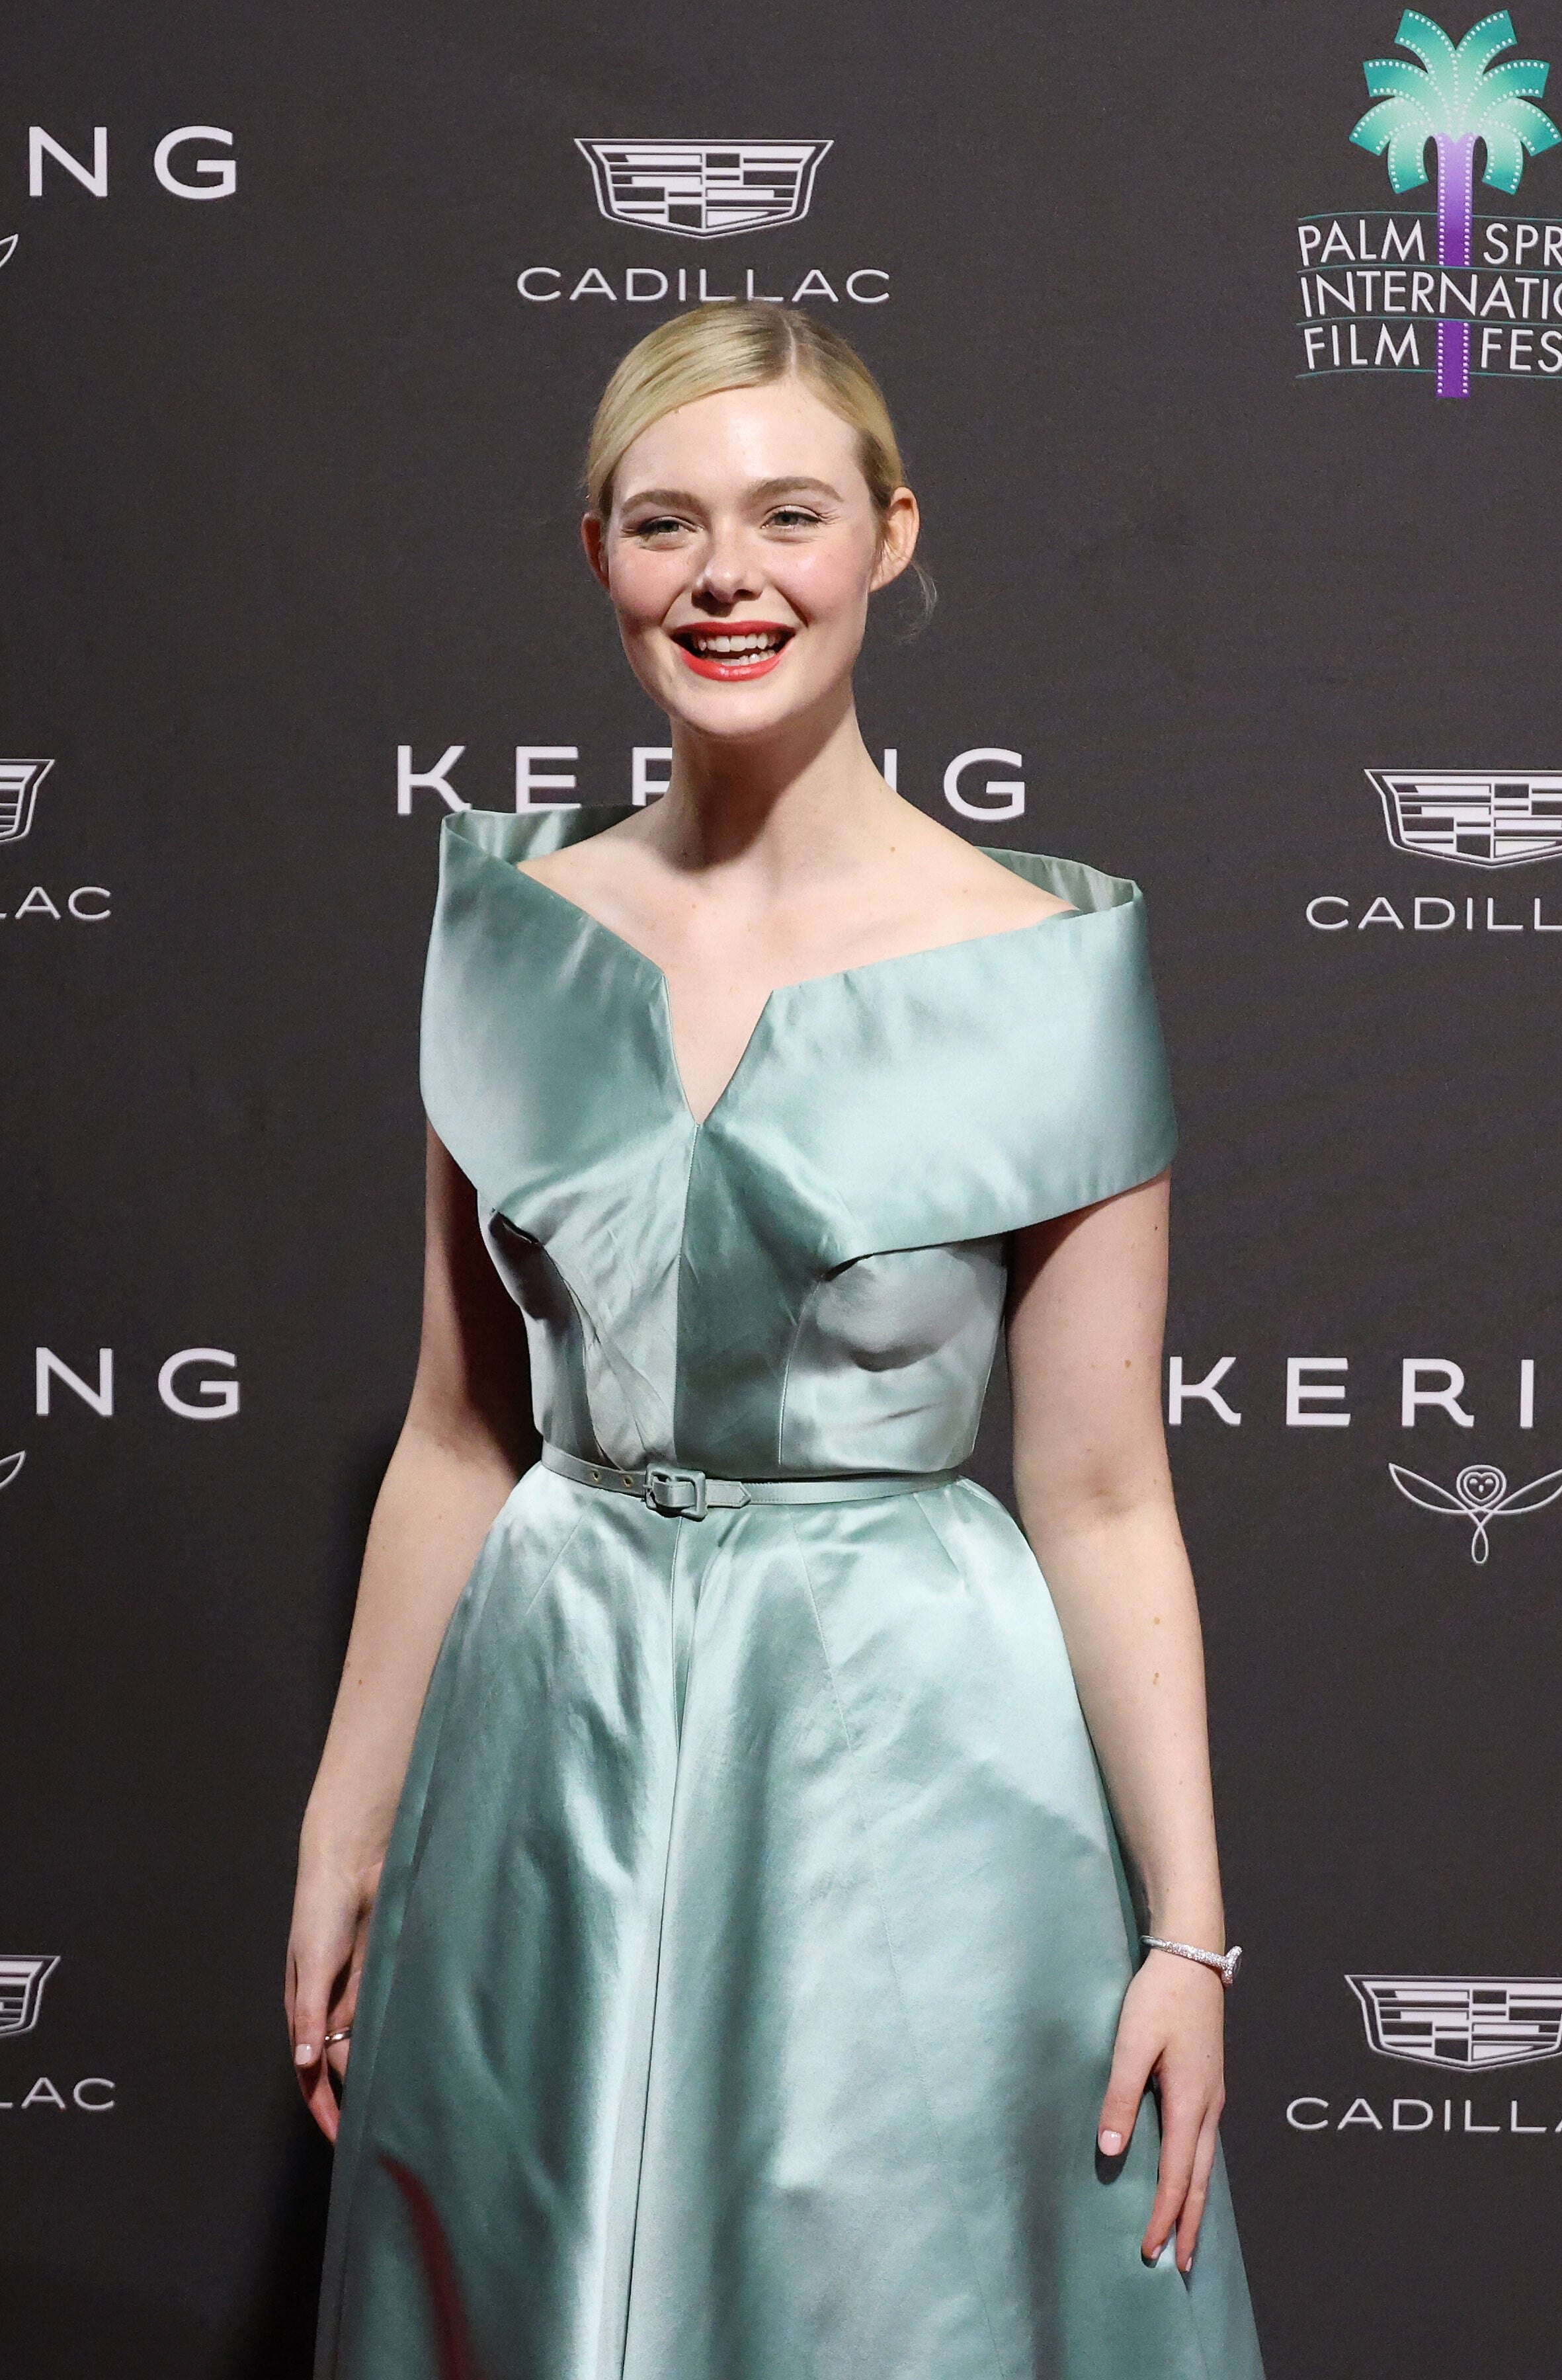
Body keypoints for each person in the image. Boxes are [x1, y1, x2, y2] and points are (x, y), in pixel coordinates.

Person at [290, 301, 1264, 2380]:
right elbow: (459, 1435)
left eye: (790, 515)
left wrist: (1187, 1929)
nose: (728, 576)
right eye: (668, 524)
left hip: (898, 1756)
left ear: (890, 538)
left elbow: (1102, 1495)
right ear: (600, 558)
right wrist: (347, 1827)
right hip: (545, 1733)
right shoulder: (507, 930)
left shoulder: (1045, 971)